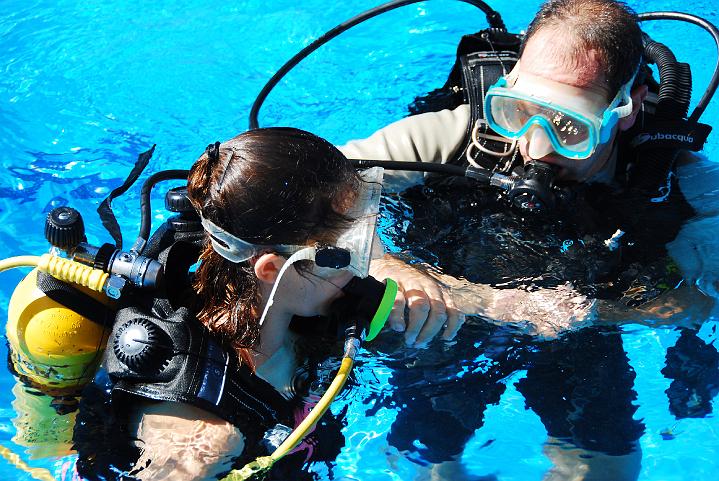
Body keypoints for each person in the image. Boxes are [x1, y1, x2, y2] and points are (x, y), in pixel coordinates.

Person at [339, 0, 715, 479]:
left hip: (580, 332)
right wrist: (388, 264)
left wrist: (594, 313)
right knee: (426, 456)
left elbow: (696, 303)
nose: (534, 146)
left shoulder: (683, 187)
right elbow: (311, 194)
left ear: (628, 106)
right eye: (519, 112)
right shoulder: (454, 136)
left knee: (609, 469)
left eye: (569, 127)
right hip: (447, 324)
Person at [72, 127, 401, 481]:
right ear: (272, 269)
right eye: (346, 253)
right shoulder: (203, 444)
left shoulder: (297, 304)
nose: (367, 264)